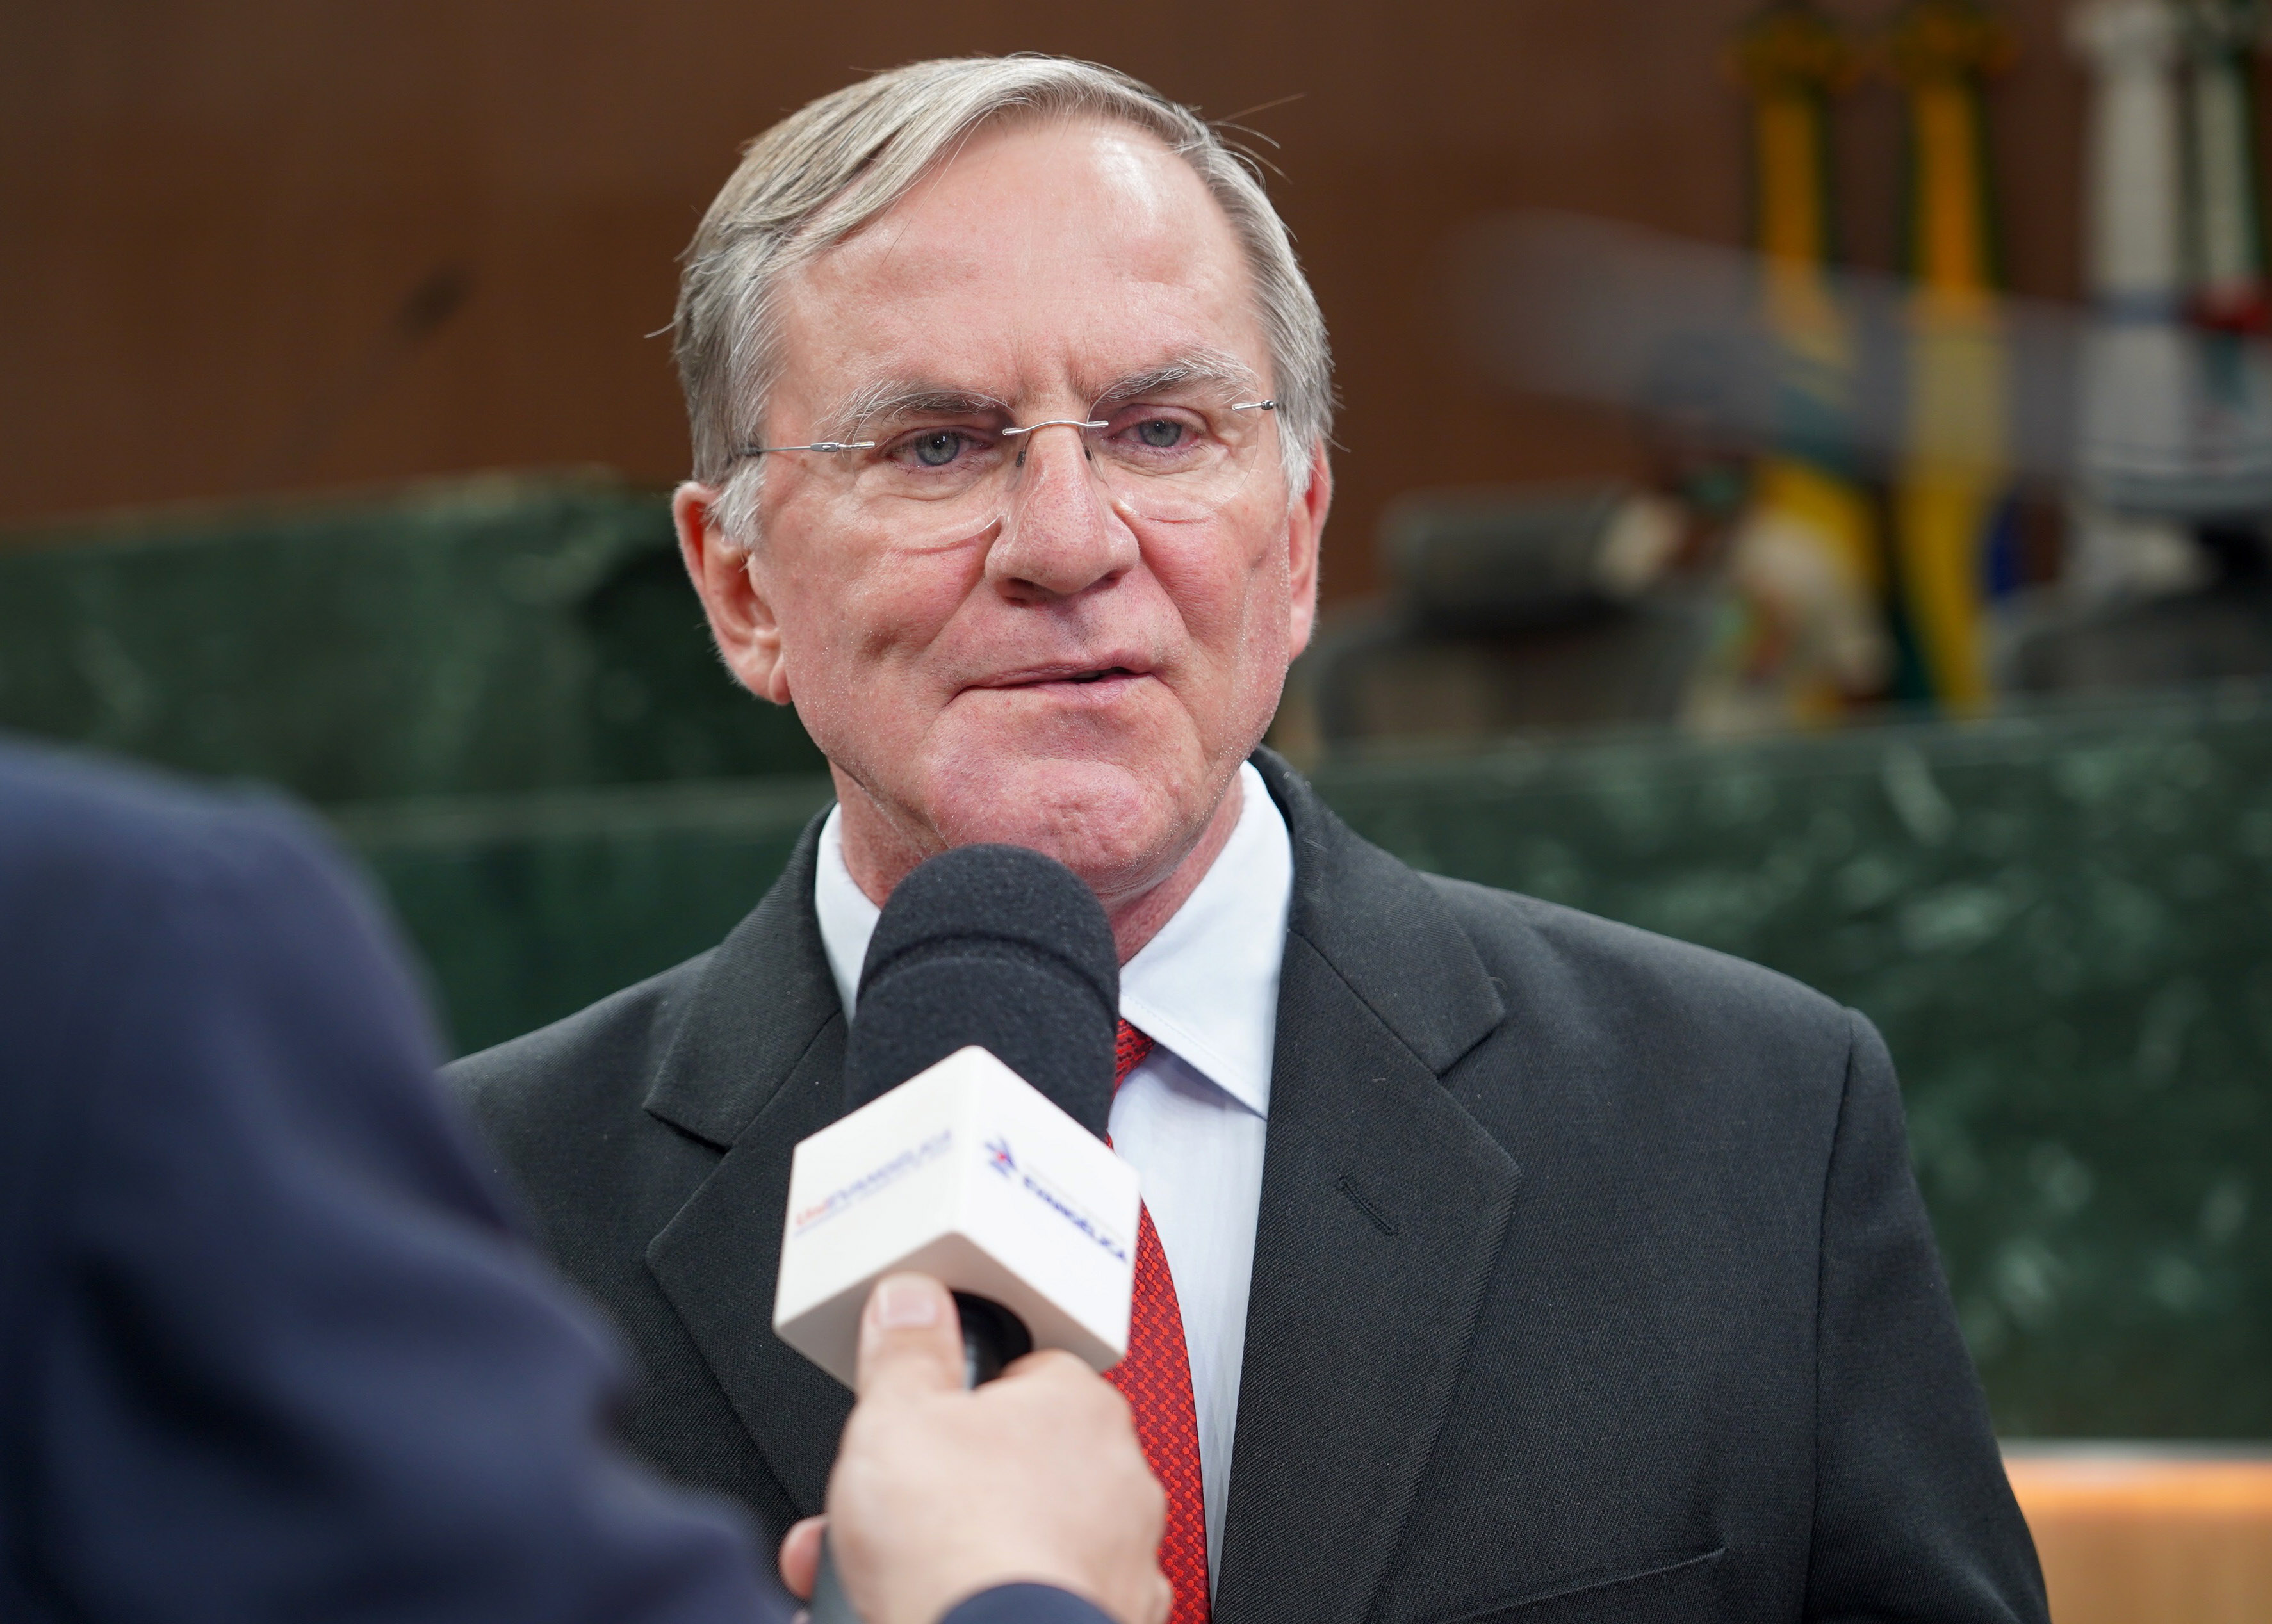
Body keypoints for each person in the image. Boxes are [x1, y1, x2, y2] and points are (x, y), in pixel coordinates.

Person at [449, 54, 2050, 1624]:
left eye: (1161, 429)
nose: (1069, 541)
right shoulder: (474, 1221)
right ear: (739, 587)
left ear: (1296, 542)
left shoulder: (1750, 1124)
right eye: (936, 445)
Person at [0, 737, 1164, 1624]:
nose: (1070, 544)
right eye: (931, 485)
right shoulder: (444, 1163)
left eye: (1175, 468)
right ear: (741, 593)